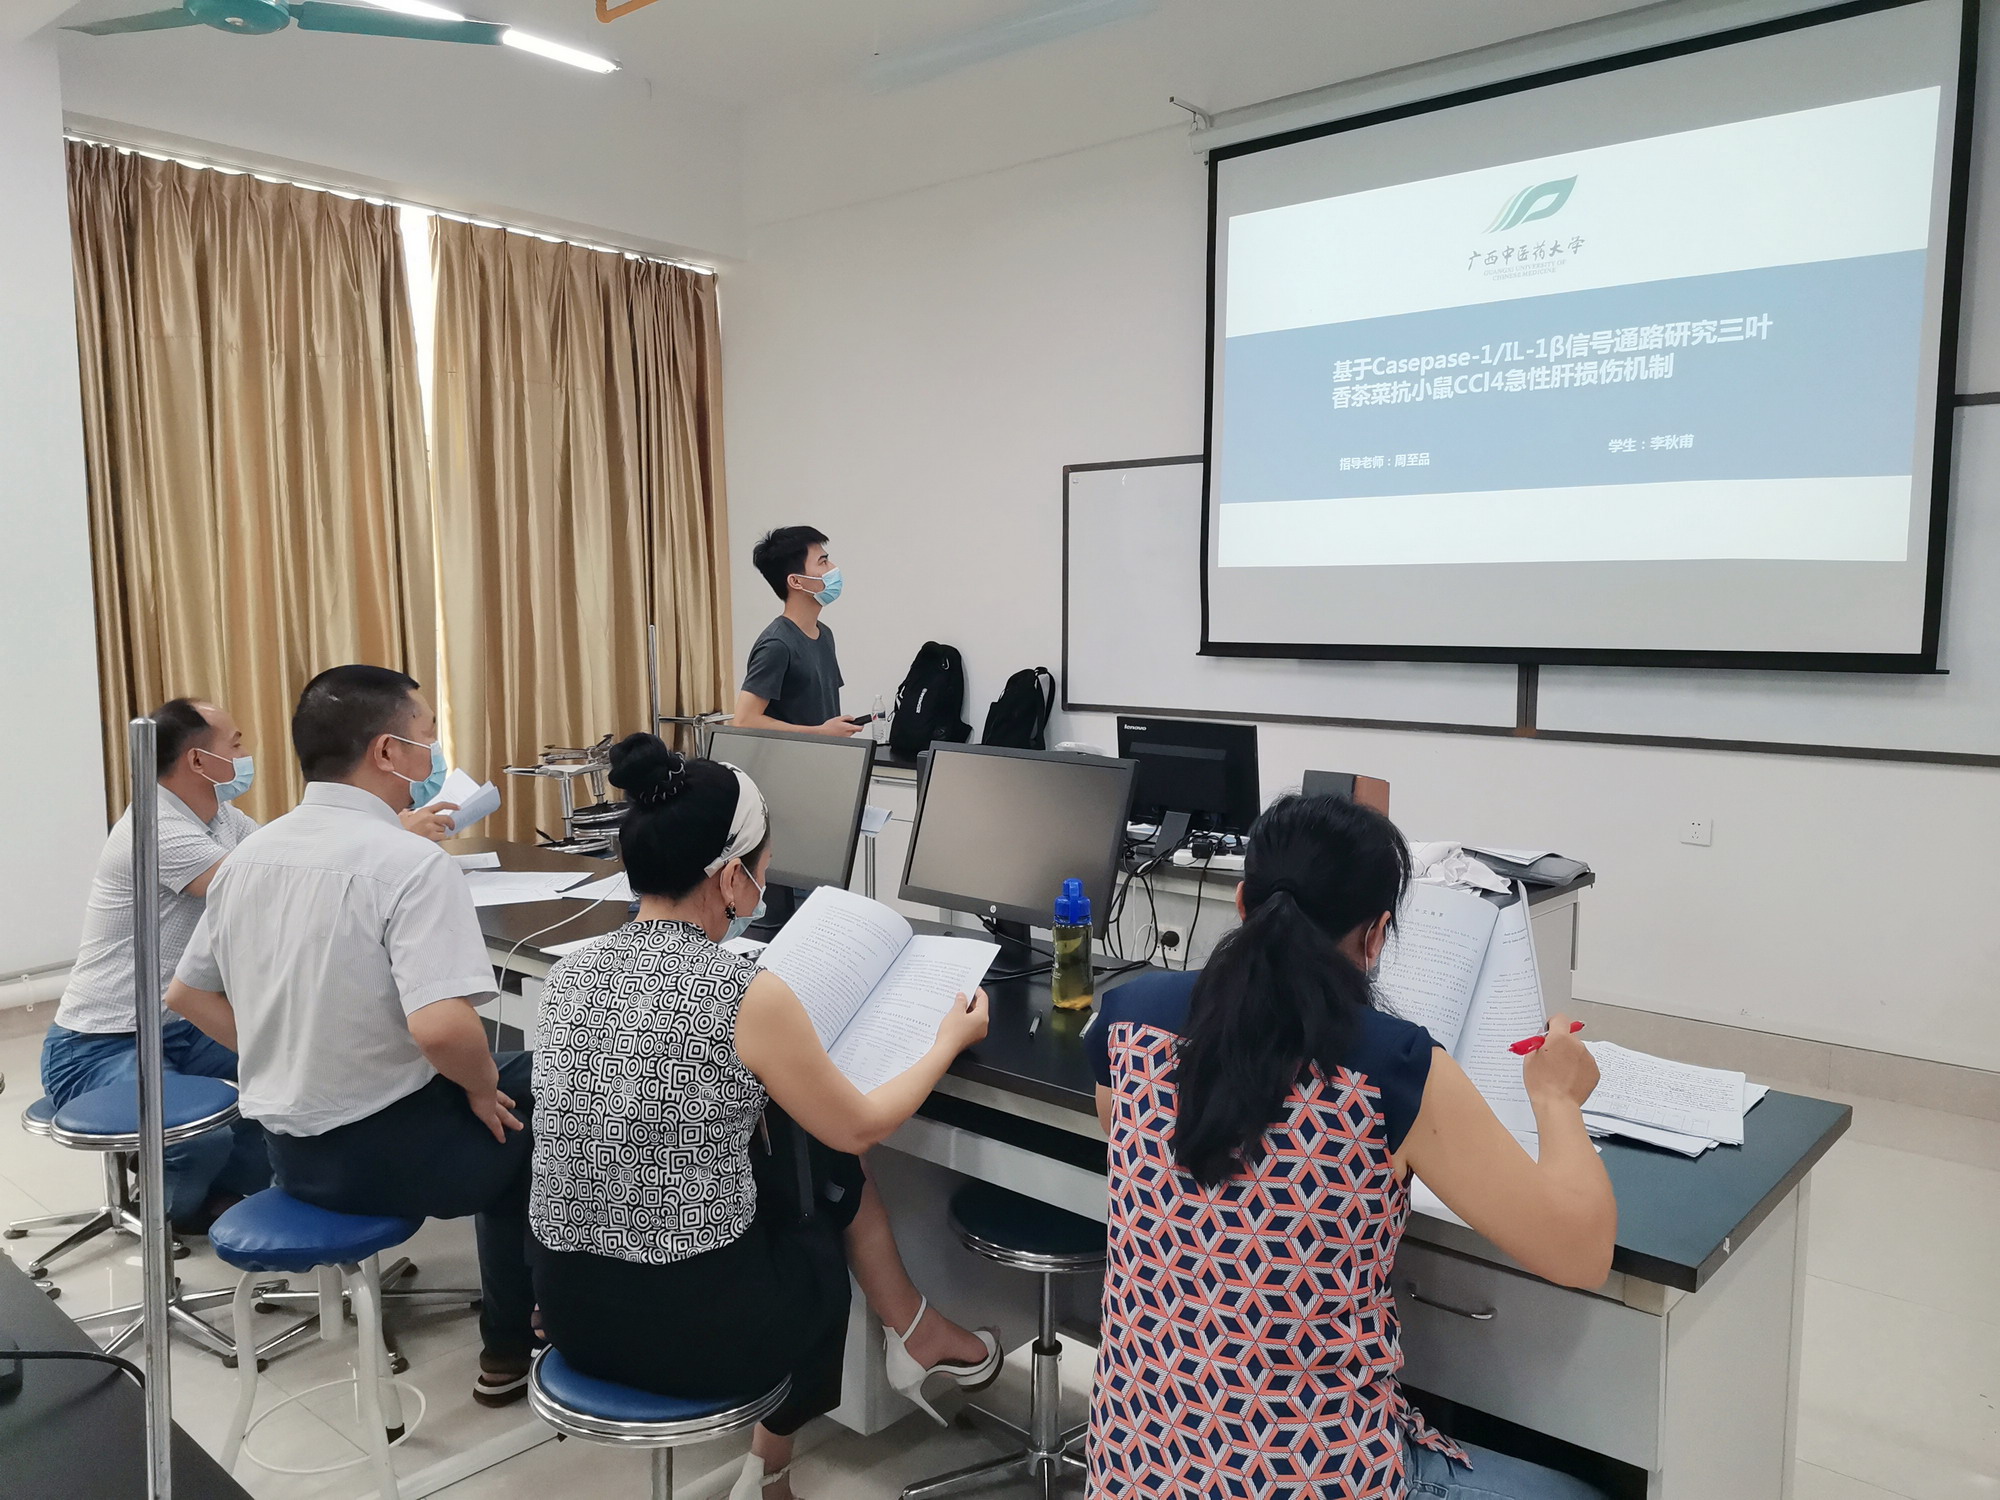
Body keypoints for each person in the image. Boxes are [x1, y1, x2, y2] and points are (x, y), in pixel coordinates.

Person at [1086, 794, 1618, 1500]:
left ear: (1242, 904)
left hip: (1135, 1469)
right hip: (1318, 1479)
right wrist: (1555, 1097)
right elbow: (1582, 1253)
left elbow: (1130, 1133)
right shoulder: (1391, 1067)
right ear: (1376, 936)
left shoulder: (1126, 1020)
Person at [530, 735, 1000, 1500]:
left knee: (795, 1155)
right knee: (822, 1189)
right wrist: (948, 1038)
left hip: (571, 1315)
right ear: (730, 878)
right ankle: (878, 1363)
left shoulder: (571, 973)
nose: (766, 881)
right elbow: (858, 1126)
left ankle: (880, 1368)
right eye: (764, 866)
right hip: (700, 1338)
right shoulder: (746, 992)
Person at [165, 665, 535, 1406]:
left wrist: (285, 1049)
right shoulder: (408, 862)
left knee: (503, 1078)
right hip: (382, 1153)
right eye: (427, 736)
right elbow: (442, 1028)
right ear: (387, 752)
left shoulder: (250, 857)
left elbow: (187, 993)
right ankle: (510, 1343)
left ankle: (518, 1331)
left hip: (289, 1153)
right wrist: (480, 1089)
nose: (434, 754)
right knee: (531, 1106)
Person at [40, 698, 271, 1232]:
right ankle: (167, 1211)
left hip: (180, 1027)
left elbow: (282, 857)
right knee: (196, 1135)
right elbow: (257, 884)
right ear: (198, 760)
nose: (245, 754)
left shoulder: (221, 817)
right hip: (100, 1042)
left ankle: (214, 1189)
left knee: (284, 1083)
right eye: (235, 744)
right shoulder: (154, 826)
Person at [732, 526, 863, 737]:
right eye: (823, 562)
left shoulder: (825, 634)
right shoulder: (777, 644)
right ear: (795, 581)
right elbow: (744, 720)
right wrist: (820, 733)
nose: (833, 568)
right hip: (789, 757)